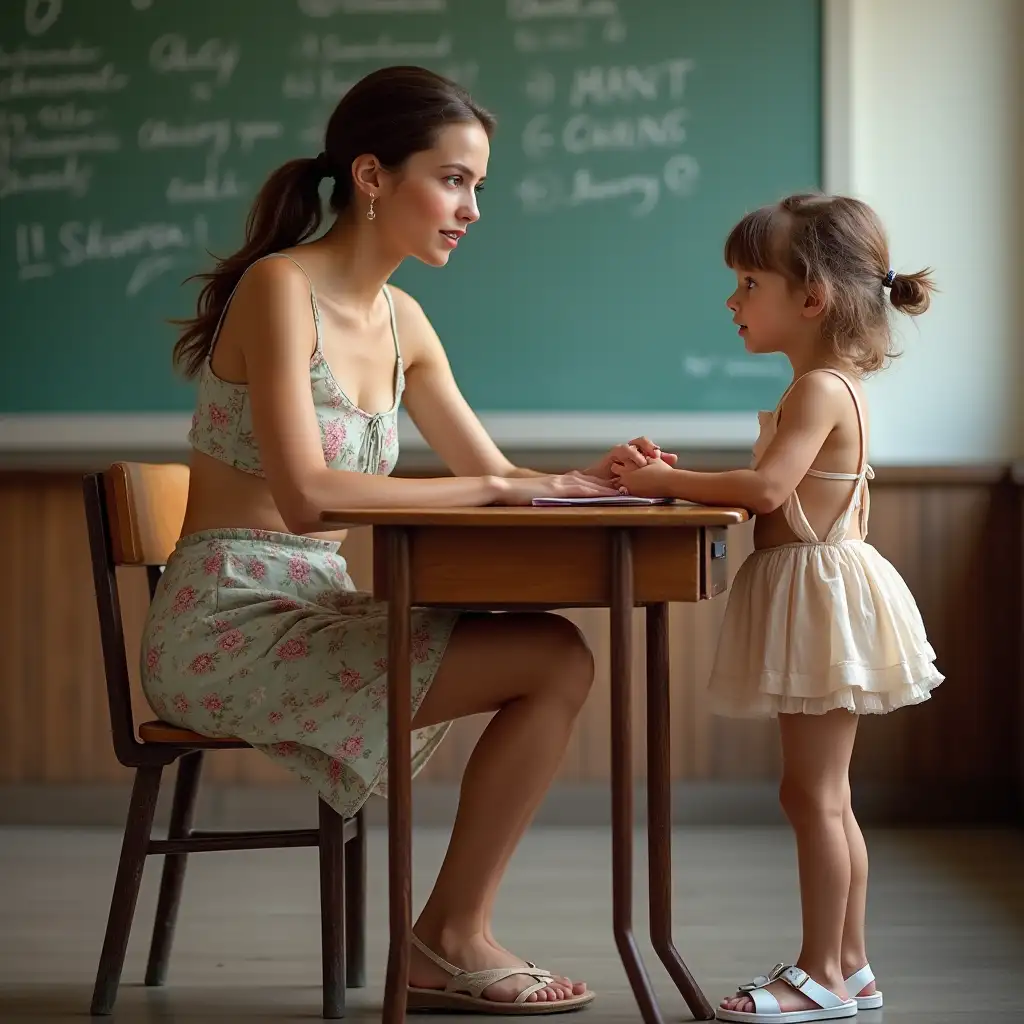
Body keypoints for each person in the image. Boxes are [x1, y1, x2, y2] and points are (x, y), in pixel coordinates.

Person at [141, 65, 675, 1014]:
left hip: (315, 604)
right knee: (551, 658)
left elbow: (500, 479)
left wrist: (597, 480)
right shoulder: (279, 288)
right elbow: (307, 498)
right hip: (223, 621)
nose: (472, 207)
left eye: (479, 186)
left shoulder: (408, 321)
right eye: (454, 179)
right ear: (374, 176)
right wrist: (514, 487)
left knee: (556, 653)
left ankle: (446, 934)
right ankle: (449, 940)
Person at [612, 193, 943, 1024]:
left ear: (812, 297)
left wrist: (663, 482)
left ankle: (821, 973)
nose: (732, 302)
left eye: (747, 283)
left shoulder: (819, 389)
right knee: (823, 794)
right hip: (822, 595)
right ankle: (851, 965)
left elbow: (765, 490)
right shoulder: (827, 383)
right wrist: (680, 479)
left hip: (822, 601)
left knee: (815, 796)